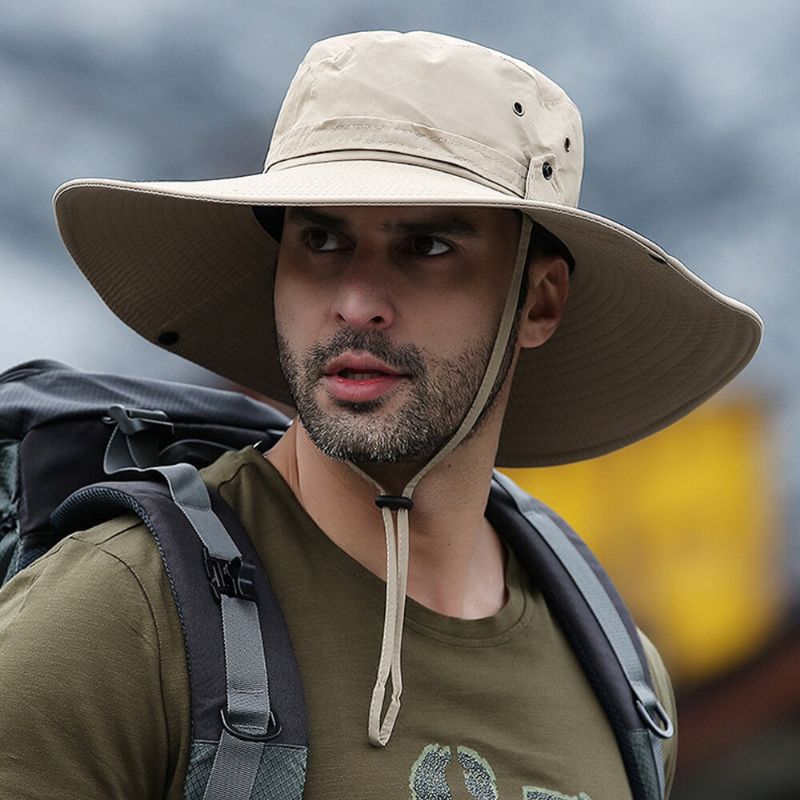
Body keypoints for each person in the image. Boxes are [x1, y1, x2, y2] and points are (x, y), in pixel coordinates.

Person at [0, 30, 761, 800]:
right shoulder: (116, 620)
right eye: (322, 239)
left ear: (539, 299)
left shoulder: (621, 678)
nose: (357, 303)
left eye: (426, 246)